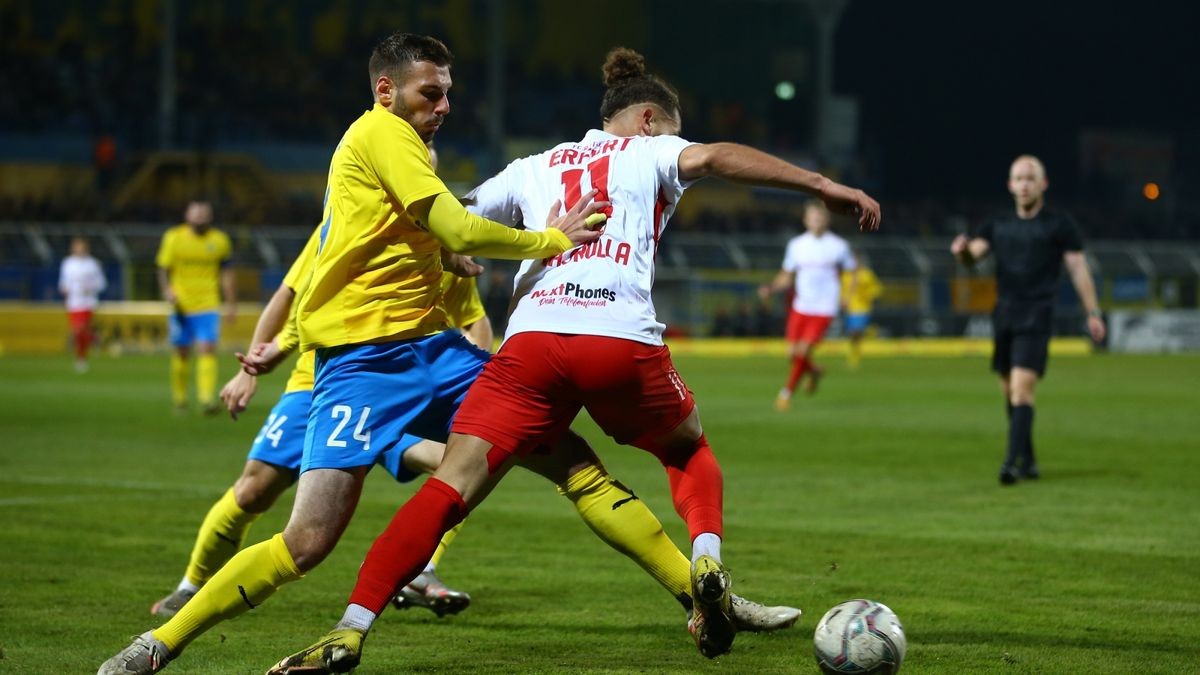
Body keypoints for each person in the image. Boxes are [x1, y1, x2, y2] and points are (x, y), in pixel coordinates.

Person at [99, 34, 799, 675]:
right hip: (358, 369)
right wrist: (550, 240)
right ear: (386, 92)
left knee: (576, 466)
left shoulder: (411, 173)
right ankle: (160, 641)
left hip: (436, 354)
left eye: (447, 94)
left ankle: (704, 595)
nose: (443, 107)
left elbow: (438, 237)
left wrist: (465, 265)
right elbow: (436, 231)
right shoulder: (380, 136)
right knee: (304, 540)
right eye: (429, 93)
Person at [271, 46, 880, 673]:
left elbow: (444, 221)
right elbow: (719, 157)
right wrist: (822, 184)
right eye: (672, 130)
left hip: (531, 344)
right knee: (685, 449)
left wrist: (448, 257)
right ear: (648, 120)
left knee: (450, 486)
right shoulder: (653, 150)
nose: (678, 144)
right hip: (619, 338)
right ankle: (705, 560)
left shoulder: (531, 168)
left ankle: (350, 629)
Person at [147, 229, 481, 623]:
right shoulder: (342, 226)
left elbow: (475, 321)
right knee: (254, 492)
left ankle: (419, 572)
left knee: (461, 462)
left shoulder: (438, 238)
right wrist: (249, 368)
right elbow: (288, 295)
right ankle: (191, 586)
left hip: (396, 391)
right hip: (322, 384)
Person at [950, 154, 1106, 485]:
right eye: (1018, 178)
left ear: (1043, 184)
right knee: (1009, 392)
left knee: (1022, 389)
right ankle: (1030, 460)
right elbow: (971, 257)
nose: (1024, 184)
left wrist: (1092, 312)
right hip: (1004, 313)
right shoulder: (997, 224)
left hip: (1037, 313)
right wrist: (961, 250)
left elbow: (1078, 268)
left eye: (1030, 178)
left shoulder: (1059, 224)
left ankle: (1010, 464)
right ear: (1010, 185)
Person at [759, 201, 857, 409]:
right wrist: (771, 288)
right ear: (806, 220)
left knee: (802, 352)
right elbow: (787, 276)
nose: (817, 221)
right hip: (801, 306)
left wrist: (847, 296)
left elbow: (853, 272)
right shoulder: (796, 245)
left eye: (821, 218)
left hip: (824, 308)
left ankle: (785, 394)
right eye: (813, 217)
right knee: (792, 353)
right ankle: (813, 371)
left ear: (827, 220)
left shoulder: (838, 246)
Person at [156, 200, 236, 413]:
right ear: (187, 215)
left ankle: (206, 399)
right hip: (181, 306)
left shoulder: (220, 241)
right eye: (196, 213)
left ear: (210, 217)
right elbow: (163, 268)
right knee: (181, 352)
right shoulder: (174, 238)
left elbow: (226, 274)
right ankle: (180, 399)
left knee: (207, 349)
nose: (200, 217)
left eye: (204, 213)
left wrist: (230, 303)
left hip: (208, 304)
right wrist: (167, 291)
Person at [58, 236, 107, 373]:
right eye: (76, 246)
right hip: (73, 302)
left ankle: (81, 358)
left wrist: (90, 287)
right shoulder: (67, 263)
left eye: (81, 246)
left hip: (87, 302)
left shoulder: (92, 264)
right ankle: (93, 340)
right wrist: (64, 288)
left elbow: (102, 283)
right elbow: (63, 282)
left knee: (79, 329)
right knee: (78, 332)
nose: (78, 249)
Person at [840, 251, 883, 370]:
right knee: (851, 335)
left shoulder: (867, 275)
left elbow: (877, 289)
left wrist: (867, 295)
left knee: (855, 331)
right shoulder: (845, 276)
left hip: (862, 308)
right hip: (849, 309)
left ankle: (854, 357)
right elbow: (842, 291)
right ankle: (855, 352)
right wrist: (842, 301)